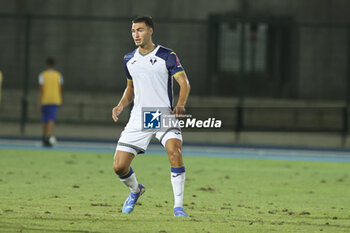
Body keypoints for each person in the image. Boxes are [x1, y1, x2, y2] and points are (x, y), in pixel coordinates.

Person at [112, 16, 191, 217]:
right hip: (139, 116)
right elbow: (130, 88)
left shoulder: (167, 55)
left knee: (175, 152)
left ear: (150, 31)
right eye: (133, 31)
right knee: (119, 166)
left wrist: (180, 104)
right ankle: (136, 190)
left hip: (163, 114)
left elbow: (184, 83)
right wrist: (121, 105)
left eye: (140, 30)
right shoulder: (129, 59)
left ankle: (178, 207)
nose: (136, 35)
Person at [38, 57, 63, 147]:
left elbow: (41, 90)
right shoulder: (58, 75)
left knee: (44, 120)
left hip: (45, 100)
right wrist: (60, 99)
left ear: (46, 65)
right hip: (55, 100)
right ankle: (49, 136)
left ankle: (44, 137)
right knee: (51, 120)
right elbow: (60, 89)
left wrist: (39, 101)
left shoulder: (42, 75)